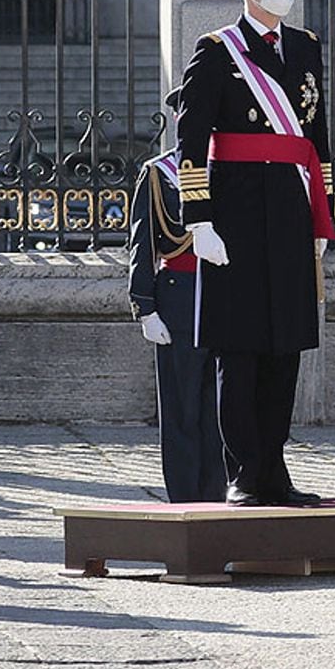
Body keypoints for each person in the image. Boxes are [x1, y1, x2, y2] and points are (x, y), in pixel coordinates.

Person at [175, 0, 335, 507]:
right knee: (239, 350)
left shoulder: (306, 47)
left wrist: (322, 217)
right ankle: (243, 472)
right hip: (236, 214)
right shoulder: (217, 50)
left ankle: (275, 469)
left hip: (290, 210)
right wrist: (200, 220)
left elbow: (316, 140)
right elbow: (190, 139)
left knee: (284, 347)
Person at [127, 124, 225, 504]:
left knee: (220, 404)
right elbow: (144, 241)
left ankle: (217, 494)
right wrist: (145, 307)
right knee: (182, 405)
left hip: (224, 295)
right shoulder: (159, 173)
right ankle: (186, 498)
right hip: (179, 296)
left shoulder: (230, 168)